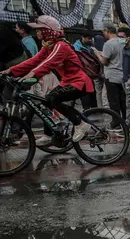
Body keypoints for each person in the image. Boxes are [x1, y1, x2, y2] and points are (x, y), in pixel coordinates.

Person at [1, 15, 94, 143]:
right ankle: (49, 134)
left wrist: (33, 73)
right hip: (67, 82)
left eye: (40, 29)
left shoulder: (61, 46)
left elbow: (49, 63)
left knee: (52, 99)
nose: (37, 32)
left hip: (79, 83)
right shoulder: (48, 46)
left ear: (48, 31)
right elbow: (34, 60)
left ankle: (80, 124)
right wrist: (11, 70)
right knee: (46, 101)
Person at [98, 24, 127, 125]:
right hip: (123, 75)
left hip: (111, 76)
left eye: (104, 33)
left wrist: (98, 54)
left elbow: (104, 61)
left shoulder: (108, 44)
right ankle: (125, 120)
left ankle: (116, 122)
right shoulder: (123, 41)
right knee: (123, 100)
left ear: (107, 31)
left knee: (113, 100)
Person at [73, 30, 97, 109]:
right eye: (88, 38)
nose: (90, 40)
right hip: (82, 72)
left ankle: (94, 107)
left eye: (91, 39)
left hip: (89, 72)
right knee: (85, 91)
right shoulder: (76, 47)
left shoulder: (88, 46)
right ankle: (86, 109)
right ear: (82, 38)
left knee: (92, 90)